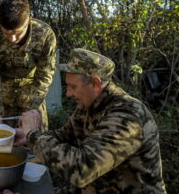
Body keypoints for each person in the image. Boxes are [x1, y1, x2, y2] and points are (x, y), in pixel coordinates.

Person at [13, 48, 167, 193]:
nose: (68, 94)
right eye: (67, 86)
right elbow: (65, 137)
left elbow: (82, 169)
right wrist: (26, 137)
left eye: (73, 87)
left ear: (96, 84)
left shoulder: (127, 115)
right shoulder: (88, 104)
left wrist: (34, 136)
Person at [0, 0, 57, 129]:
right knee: (4, 143)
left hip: (33, 95)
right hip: (4, 101)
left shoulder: (44, 35)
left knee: (36, 141)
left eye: (17, 33)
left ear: (29, 20)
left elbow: (45, 75)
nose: (12, 39)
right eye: (6, 34)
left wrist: (31, 109)